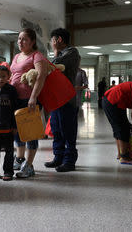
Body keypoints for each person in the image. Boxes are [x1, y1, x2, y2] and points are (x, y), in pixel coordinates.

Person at [10, 28, 49, 178]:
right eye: (19, 39)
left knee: (30, 132)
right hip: (15, 99)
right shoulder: (17, 57)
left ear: (32, 42)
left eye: (24, 39)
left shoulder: (37, 56)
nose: (21, 41)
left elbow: (41, 77)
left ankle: (29, 165)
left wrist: (33, 96)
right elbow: (14, 74)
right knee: (18, 131)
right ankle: (19, 159)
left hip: (29, 99)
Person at [45, 28, 81, 172]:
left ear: (59, 40)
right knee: (56, 130)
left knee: (68, 131)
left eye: (52, 40)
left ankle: (69, 161)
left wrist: (54, 52)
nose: (51, 43)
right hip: (56, 99)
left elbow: (53, 64)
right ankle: (58, 157)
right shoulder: (61, 53)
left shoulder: (72, 52)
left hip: (67, 99)